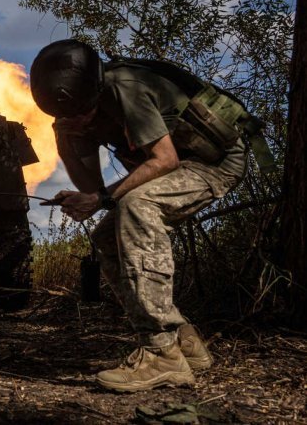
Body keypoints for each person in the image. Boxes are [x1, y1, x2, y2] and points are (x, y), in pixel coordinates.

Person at [29, 39, 247, 392]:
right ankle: (184, 342)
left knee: (137, 205)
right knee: (104, 234)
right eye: (67, 116)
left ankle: (161, 353)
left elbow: (165, 161)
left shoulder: (126, 88)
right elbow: (91, 188)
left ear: (95, 91)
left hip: (214, 163)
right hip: (179, 166)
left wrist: (100, 199)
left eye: (81, 111)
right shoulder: (72, 115)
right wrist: (68, 143)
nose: (77, 118)